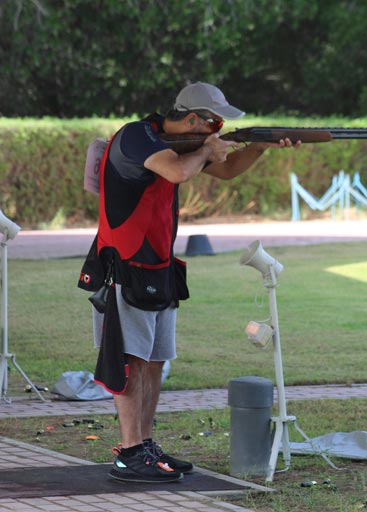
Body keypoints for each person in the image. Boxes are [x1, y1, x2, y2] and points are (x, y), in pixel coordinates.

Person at [78, 82, 298, 483]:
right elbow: (179, 171)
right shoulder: (137, 136)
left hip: (159, 266)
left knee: (155, 361)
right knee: (131, 360)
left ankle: (144, 445)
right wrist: (206, 150)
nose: (217, 130)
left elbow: (227, 170)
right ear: (193, 119)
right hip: (125, 266)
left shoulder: (180, 146)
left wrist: (259, 147)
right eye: (214, 123)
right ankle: (129, 452)